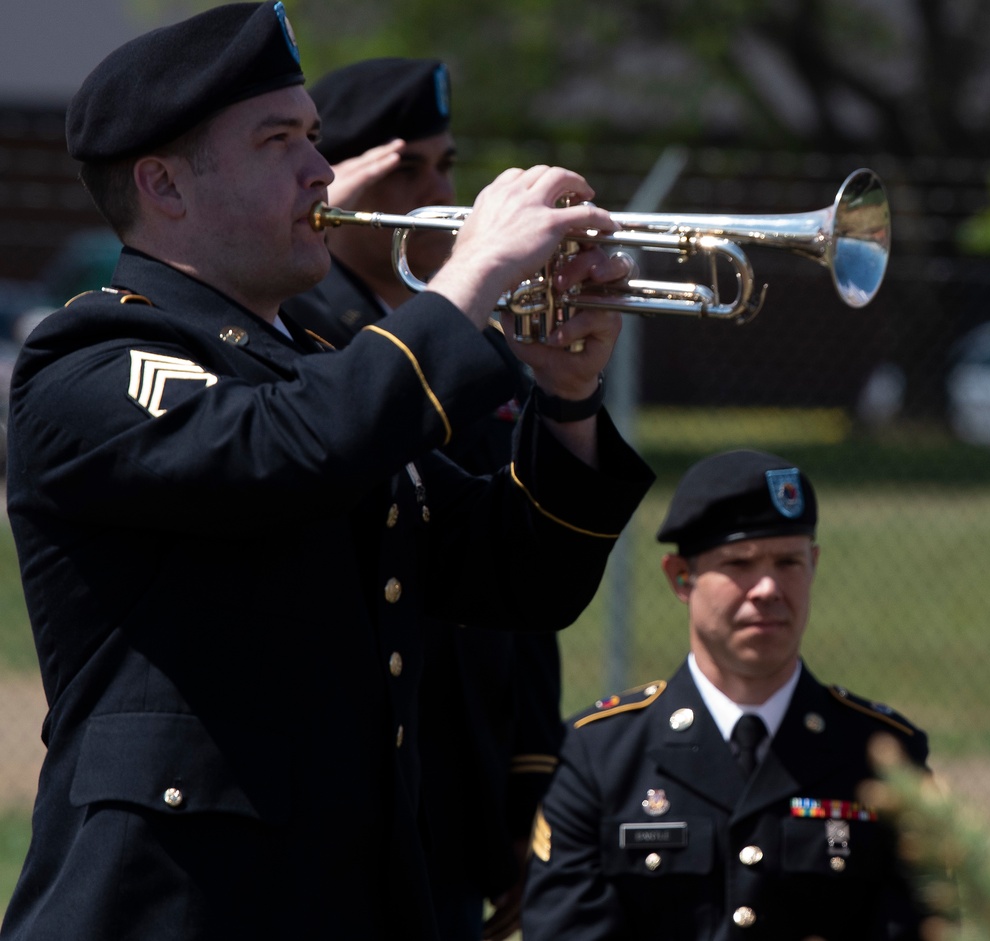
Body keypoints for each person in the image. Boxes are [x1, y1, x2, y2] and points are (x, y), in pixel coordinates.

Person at [0, 5, 656, 940]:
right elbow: (286, 448)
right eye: (280, 142)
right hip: (169, 906)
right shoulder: (93, 356)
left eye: (314, 135)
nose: (320, 169)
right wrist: (466, 284)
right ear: (163, 185)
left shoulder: (323, 362)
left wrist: (568, 395)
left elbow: (518, 574)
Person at [282, 57, 562, 941]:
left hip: (459, 780)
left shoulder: (471, 340)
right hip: (347, 779)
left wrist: (529, 784)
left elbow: (516, 576)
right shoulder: (303, 328)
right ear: (343, 180)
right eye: (409, 169)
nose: (444, 192)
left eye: (446, 164)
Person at [521, 449, 936, 940]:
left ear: (814, 565)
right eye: (739, 563)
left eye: (788, 562)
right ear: (681, 577)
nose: (767, 588)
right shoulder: (598, 757)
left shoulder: (883, 756)